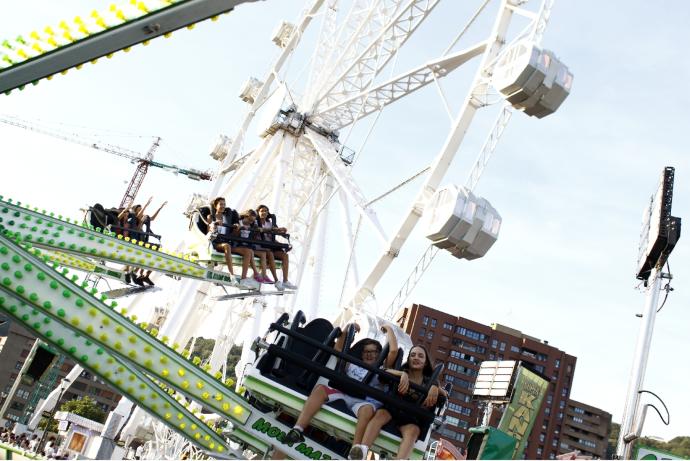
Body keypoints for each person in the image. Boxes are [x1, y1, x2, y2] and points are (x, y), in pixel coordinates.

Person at [284, 325, 398, 453]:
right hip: (345, 394)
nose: (369, 355)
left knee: (367, 410)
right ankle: (297, 430)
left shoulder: (383, 371)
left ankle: (356, 449)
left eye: (373, 351)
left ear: (379, 354)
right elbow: (338, 348)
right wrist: (349, 328)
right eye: (366, 352)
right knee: (320, 389)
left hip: (364, 403)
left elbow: (393, 351)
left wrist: (388, 329)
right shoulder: (353, 364)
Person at [351, 345, 446, 460]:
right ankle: (362, 450)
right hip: (391, 410)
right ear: (408, 359)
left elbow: (445, 395)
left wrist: (435, 386)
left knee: (414, 430)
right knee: (381, 414)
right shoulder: (401, 372)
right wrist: (402, 374)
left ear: (425, 363)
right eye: (413, 355)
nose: (416, 358)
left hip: (409, 418)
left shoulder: (428, 382)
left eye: (420, 356)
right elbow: (383, 373)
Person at [203, 197, 258, 290]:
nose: (223, 206)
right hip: (216, 243)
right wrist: (215, 225)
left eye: (224, 204)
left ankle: (243, 279)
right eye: (220, 204)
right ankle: (231, 275)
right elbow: (209, 232)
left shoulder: (227, 218)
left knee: (248, 252)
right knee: (227, 246)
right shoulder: (210, 217)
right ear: (216, 206)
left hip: (227, 242)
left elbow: (232, 233)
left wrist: (237, 228)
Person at [256, 204, 297, 291]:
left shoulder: (269, 224)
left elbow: (273, 237)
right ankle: (276, 281)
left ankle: (285, 280)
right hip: (259, 246)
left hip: (270, 246)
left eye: (265, 211)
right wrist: (273, 230)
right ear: (258, 212)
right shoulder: (255, 222)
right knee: (270, 254)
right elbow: (259, 231)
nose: (264, 212)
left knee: (285, 256)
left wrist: (282, 242)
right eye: (262, 211)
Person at [131, 200, 167, 286]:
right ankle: (136, 273)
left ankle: (145, 276)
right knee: (144, 257)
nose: (141, 211)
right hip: (137, 240)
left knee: (155, 255)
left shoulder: (143, 218)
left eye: (141, 209)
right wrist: (147, 204)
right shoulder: (134, 218)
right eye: (139, 210)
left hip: (143, 239)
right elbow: (138, 228)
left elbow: (152, 219)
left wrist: (160, 208)